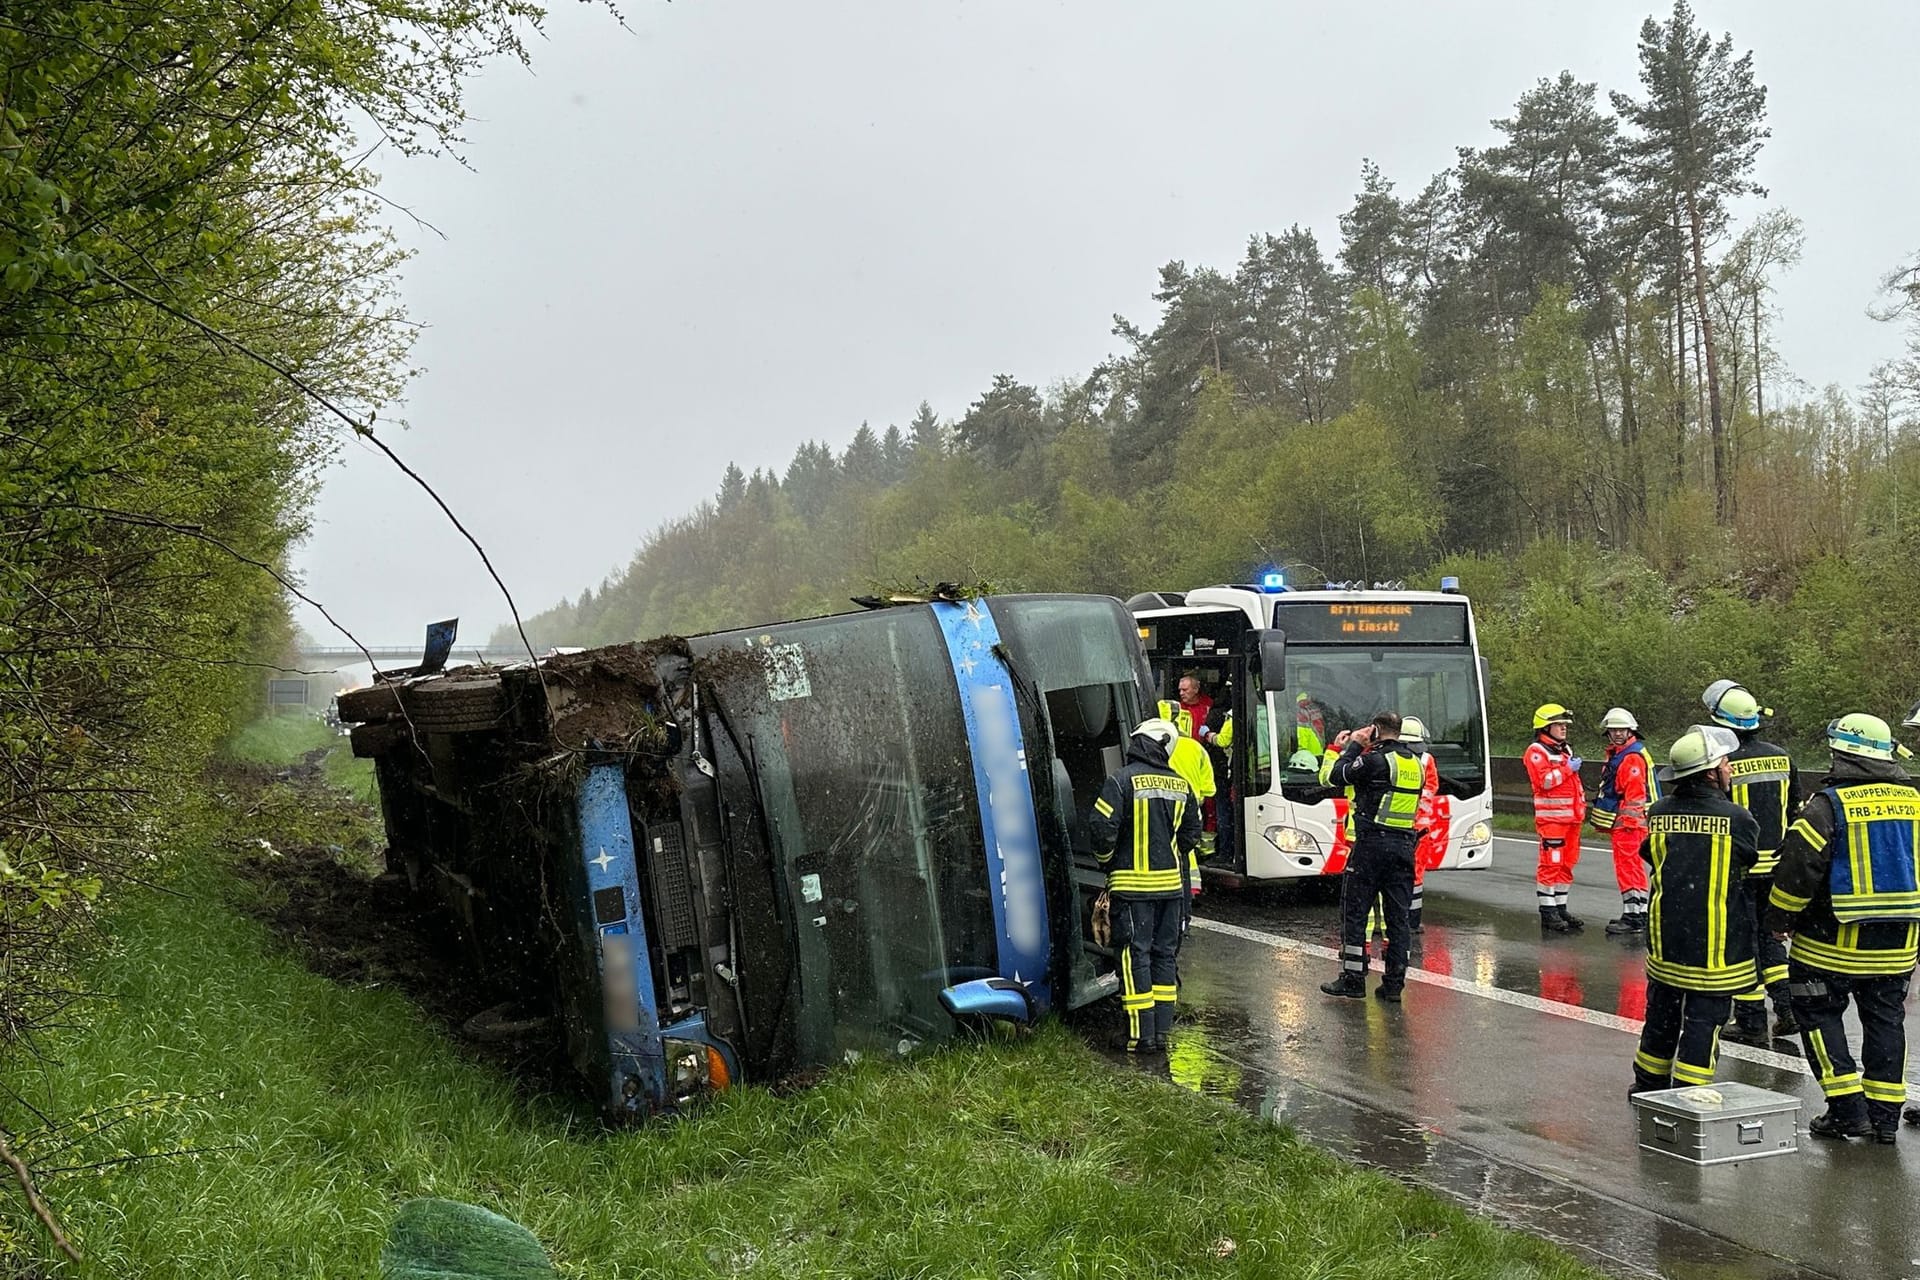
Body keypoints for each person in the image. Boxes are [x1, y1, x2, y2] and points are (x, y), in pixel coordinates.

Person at [1765, 713, 1920, 1143]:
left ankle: (1847, 1111)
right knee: (1886, 1023)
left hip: (1828, 946)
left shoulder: (1826, 807)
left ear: (1841, 754)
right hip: (1898, 948)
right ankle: (1886, 1119)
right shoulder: (1916, 803)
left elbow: (1797, 874)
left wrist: (1779, 920)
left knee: (1817, 1017)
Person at [1630, 724, 1758, 1095]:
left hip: (1666, 941)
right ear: (1710, 772)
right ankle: (1689, 1093)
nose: (1731, 769)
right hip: (1715, 946)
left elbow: (1649, 855)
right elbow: (1750, 864)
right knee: (1704, 1023)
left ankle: (1647, 1085)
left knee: (1661, 1017)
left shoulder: (1659, 812)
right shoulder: (1738, 818)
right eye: (1725, 763)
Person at [1088, 718, 1203, 1054]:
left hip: (1132, 890)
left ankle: (1140, 1037)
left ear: (1139, 742)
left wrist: (1107, 859)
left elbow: (1100, 826)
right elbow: (1190, 836)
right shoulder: (1181, 785)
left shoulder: (1120, 780)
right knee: (1164, 956)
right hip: (1171, 890)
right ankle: (1161, 1031)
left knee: (1133, 956)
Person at [1702, 680, 1802, 1045]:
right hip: (1775, 866)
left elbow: (1712, 812)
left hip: (1739, 866)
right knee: (1770, 936)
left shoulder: (1720, 764)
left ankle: (1750, 1021)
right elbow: (1794, 809)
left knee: (1742, 944)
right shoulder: (1781, 755)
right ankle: (1787, 1007)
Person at [1319, 711, 1425, 1003]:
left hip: (1371, 846)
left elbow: (1335, 776)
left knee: (1355, 912)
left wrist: (1353, 745)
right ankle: (1394, 984)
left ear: (1376, 730)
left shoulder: (1374, 759)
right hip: (1404, 847)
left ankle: (1353, 979)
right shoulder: (1416, 764)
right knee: (1397, 918)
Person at [1591, 708, 1657, 936]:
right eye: (1613, 730)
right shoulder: (1625, 753)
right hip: (1631, 824)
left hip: (1630, 825)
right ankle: (1638, 913)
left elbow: (1635, 795)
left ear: (1631, 731)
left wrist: (1628, 822)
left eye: (1621, 730)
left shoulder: (1630, 757)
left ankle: (1633, 917)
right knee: (1632, 869)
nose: (1617, 733)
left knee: (1629, 869)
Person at [1525, 704, 1587, 932]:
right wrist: (1568, 769)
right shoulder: (1536, 751)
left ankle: (1560, 907)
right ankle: (1547, 910)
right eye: (1559, 725)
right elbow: (1545, 782)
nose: (1564, 729)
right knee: (1550, 865)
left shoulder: (1564, 750)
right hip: (1552, 821)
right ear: (1546, 726)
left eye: (1565, 725)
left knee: (1566, 865)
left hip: (1571, 820)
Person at [1156, 697, 1216, 875]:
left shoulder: (1155, 745)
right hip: (1192, 804)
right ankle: (1191, 885)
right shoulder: (1195, 746)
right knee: (1187, 845)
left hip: (1162, 804)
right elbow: (1210, 787)